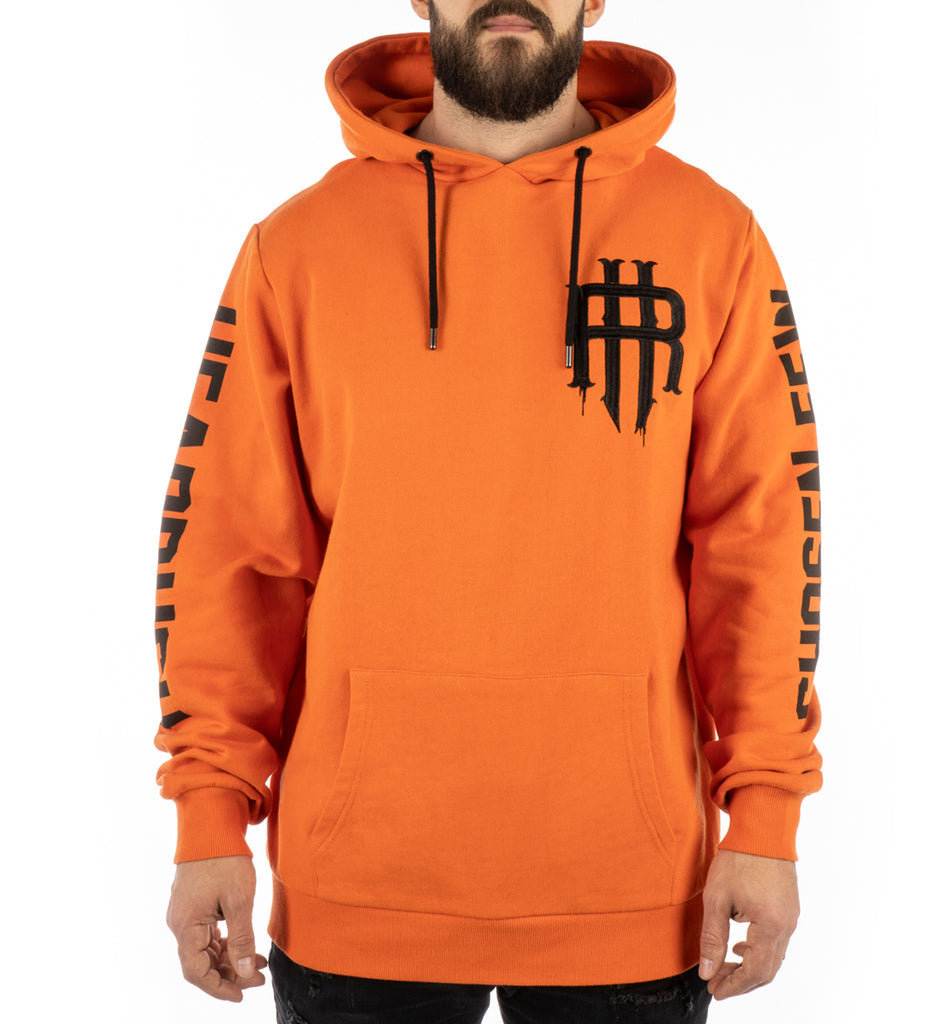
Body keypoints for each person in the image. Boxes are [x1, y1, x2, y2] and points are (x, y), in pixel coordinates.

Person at [155, 2, 824, 1021]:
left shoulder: (710, 237)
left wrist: (765, 816)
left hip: (631, 885)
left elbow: (762, 542)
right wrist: (210, 814)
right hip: (361, 882)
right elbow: (229, 553)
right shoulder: (296, 248)